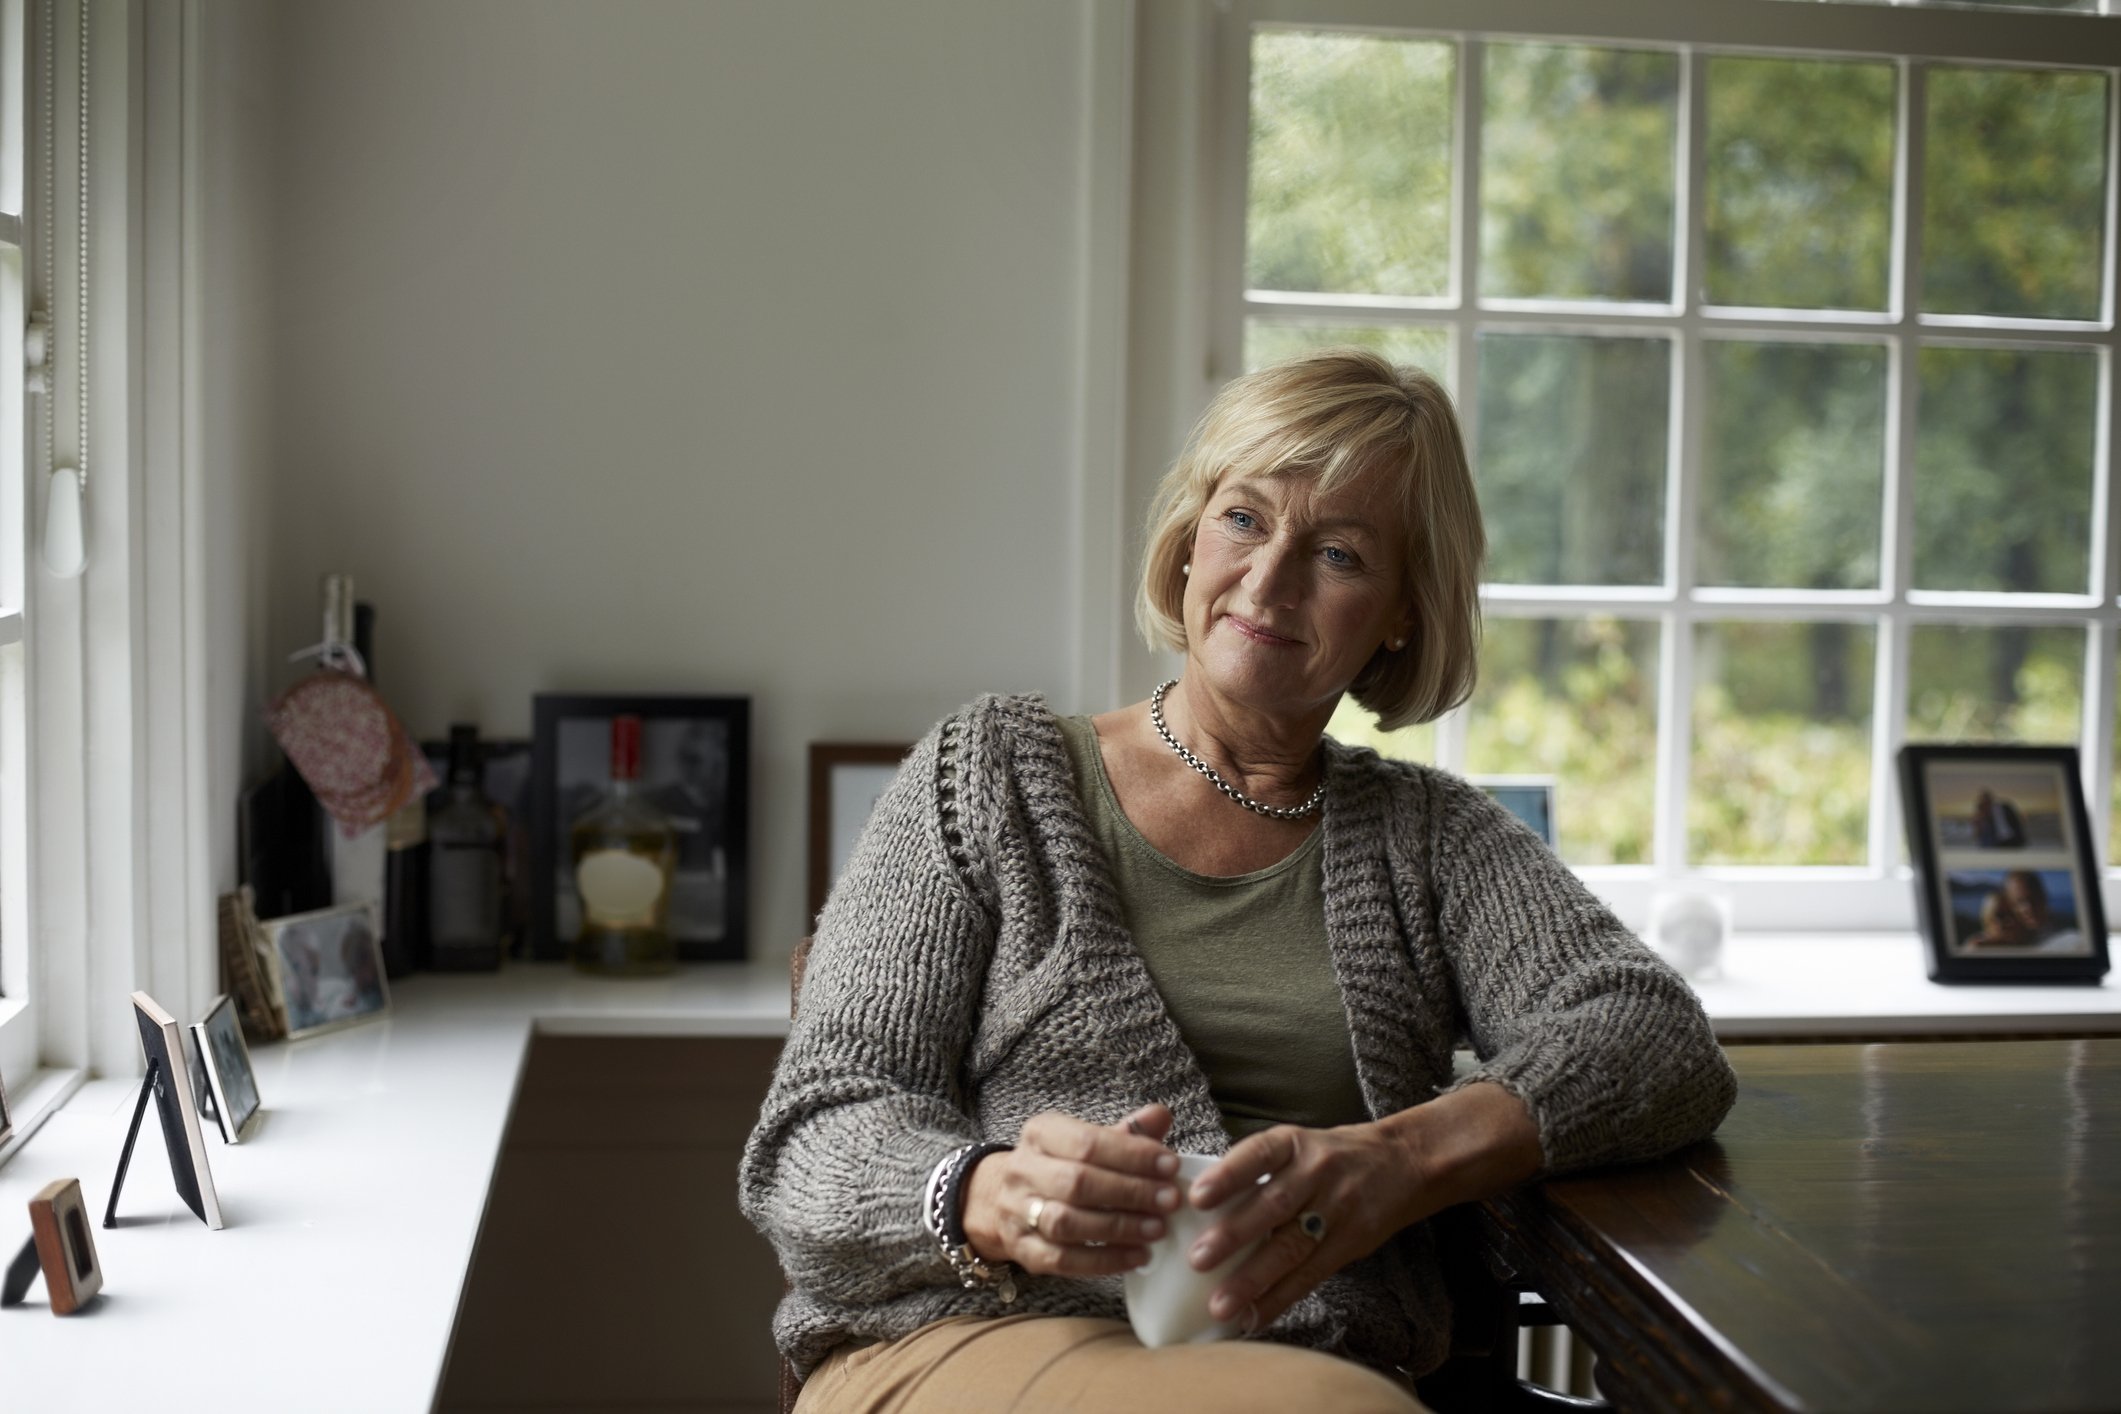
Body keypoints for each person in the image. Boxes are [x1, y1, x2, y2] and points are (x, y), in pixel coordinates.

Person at [741, 349, 1737, 1413]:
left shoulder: (1431, 837)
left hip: (1304, 1362)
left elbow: (1650, 1034)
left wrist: (1402, 1158)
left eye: (1341, 553)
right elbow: (817, 1128)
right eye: (1246, 519)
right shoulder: (985, 774)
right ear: (1189, 539)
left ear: (1402, 609)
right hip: (966, 1334)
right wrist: (985, 1193)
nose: (1269, 582)